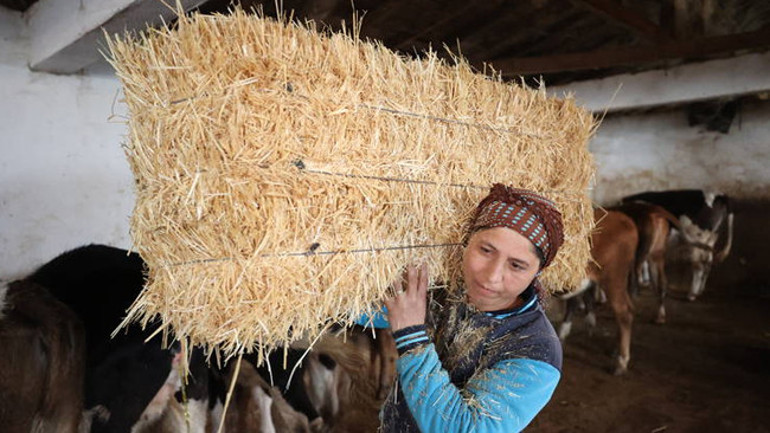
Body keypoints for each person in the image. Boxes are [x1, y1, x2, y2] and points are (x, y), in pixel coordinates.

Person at [359, 183, 564, 433]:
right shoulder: (447, 291)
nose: (492, 276)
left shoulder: (536, 351)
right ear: (467, 242)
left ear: (536, 273)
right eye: (486, 250)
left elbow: (466, 429)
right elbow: (369, 312)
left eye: (517, 266)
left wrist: (411, 337)